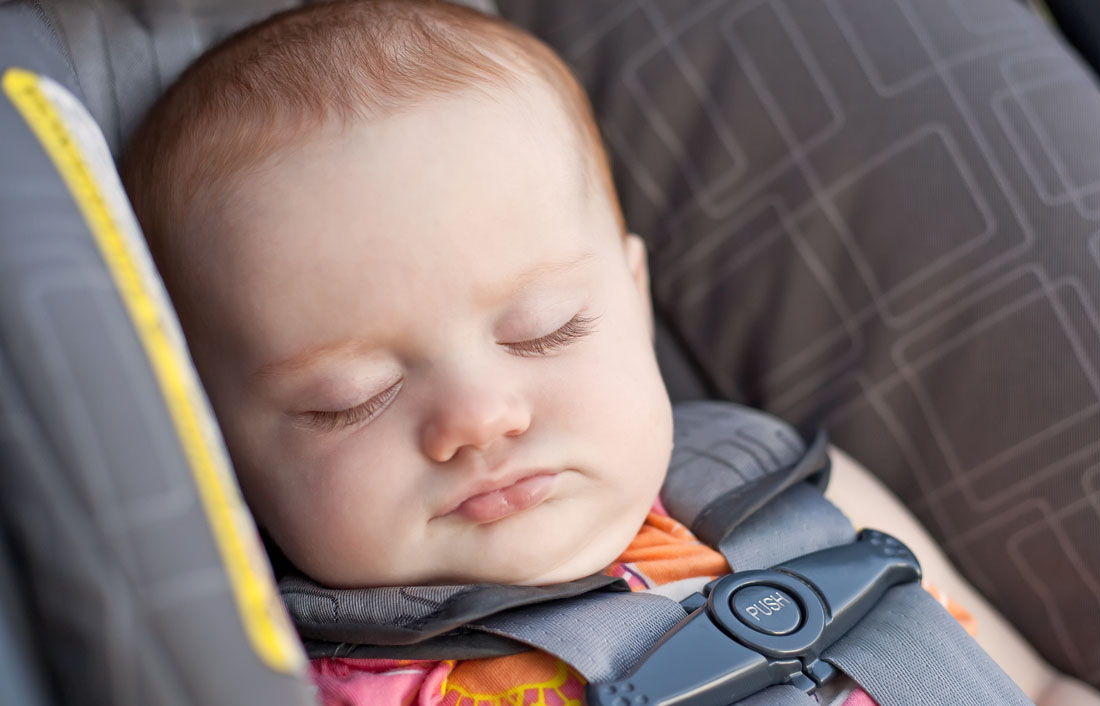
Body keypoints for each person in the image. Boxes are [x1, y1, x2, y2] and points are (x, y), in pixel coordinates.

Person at [120, 2, 970, 704]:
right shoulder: (343, 687)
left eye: (547, 329)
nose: (479, 418)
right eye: (350, 397)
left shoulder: (782, 491)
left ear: (634, 300)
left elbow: (1031, 682)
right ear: (217, 445)